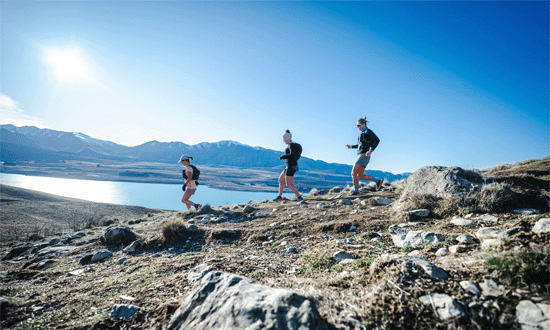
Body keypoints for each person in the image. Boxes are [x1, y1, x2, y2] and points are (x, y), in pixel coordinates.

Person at [346, 116, 383, 195]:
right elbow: (361, 145)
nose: (357, 127)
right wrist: (351, 146)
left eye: (358, 125)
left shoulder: (368, 131)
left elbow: (377, 140)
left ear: (363, 124)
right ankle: (378, 181)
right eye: (357, 125)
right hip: (363, 155)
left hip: (363, 155)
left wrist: (371, 150)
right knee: (360, 175)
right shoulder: (362, 133)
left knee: (353, 173)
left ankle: (356, 191)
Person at [273, 130, 303, 201]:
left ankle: (299, 197)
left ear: (287, 138)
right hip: (288, 166)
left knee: (289, 184)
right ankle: (279, 197)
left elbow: (292, 155)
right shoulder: (289, 145)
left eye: (284, 139)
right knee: (280, 180)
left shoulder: (292, 145)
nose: (283, 141)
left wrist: (283, 156)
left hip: (291, 166)